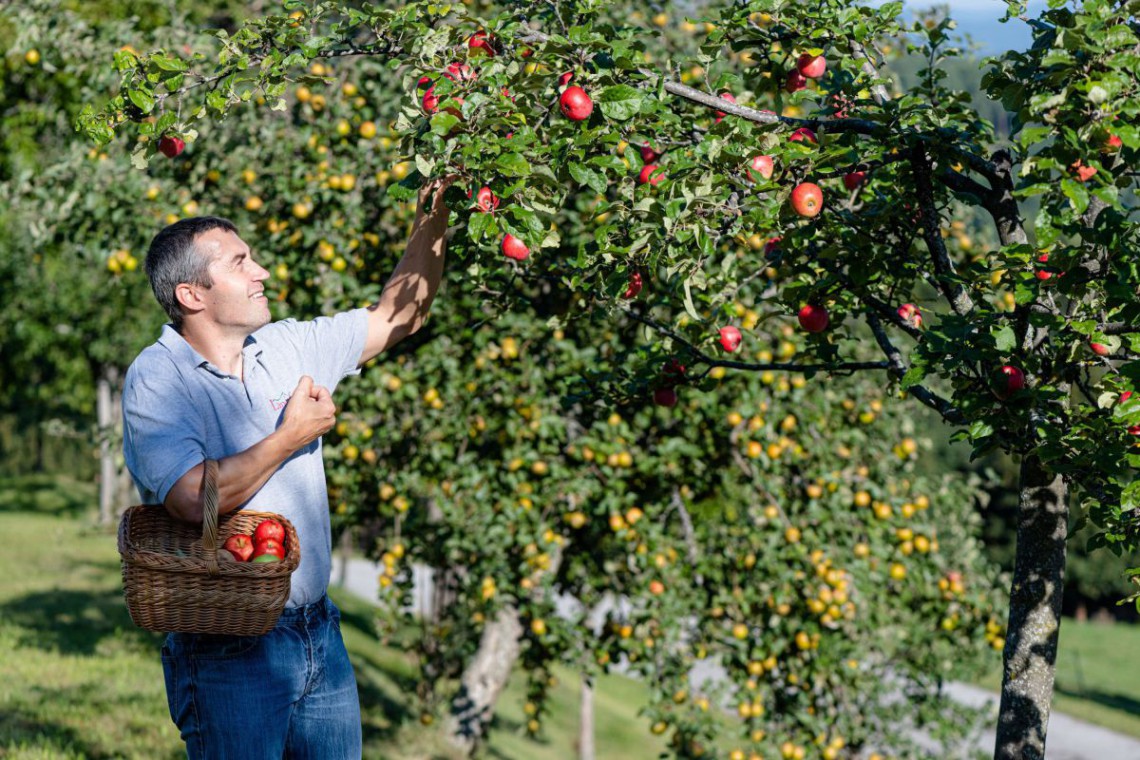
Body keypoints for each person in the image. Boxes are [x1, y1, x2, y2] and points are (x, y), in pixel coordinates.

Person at [122, 177, 453, 759]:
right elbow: (191, 498)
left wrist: (438, 207)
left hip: (318, 633)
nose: (262, 272)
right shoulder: (157, 379)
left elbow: (400, 316)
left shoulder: (287, 347)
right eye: (241, 262)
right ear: (192, 294)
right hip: (227, 648)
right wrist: (291, 436)